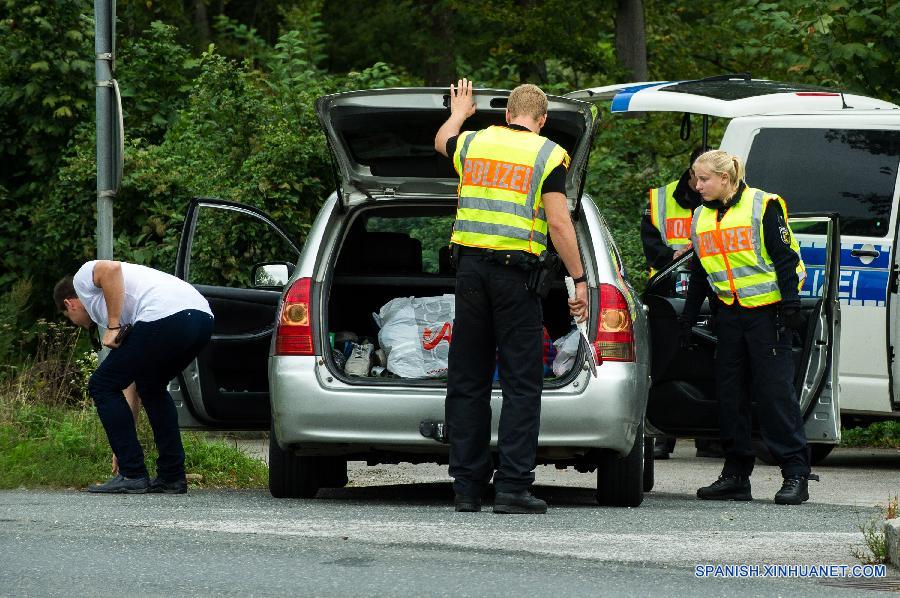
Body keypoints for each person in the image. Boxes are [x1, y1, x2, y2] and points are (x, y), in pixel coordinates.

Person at [435, 79, 588, 515]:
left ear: (506, 115)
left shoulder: (474, 142)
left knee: (468, 379)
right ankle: (513, 488)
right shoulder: (548, 153)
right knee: (522, 383)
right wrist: (578, 279)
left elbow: (441, 140)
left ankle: (466, 488)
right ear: (542, 121)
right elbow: (559, 225)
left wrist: (461, 111)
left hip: (469, 274)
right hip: (514, 279)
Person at [681, 150, 817, 505]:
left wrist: (790, 306)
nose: (697, 186)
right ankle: (736, 475)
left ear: (725, 179)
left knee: (774, 396)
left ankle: (795, 474)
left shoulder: (762, 205)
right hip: (729, 315)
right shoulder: (700, 216)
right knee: (730, 397)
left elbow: (786, 259)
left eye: (704, 179)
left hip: (768, 314)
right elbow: (700, 273)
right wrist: (687, 317)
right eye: (696, 179)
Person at [54, 260, 213, 494]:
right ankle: (172, 476)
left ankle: (133, 474)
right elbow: (129, 384)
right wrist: (122, 444)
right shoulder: (122, 302)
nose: (74, 322)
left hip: (166, 316)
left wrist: (114, 325)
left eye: (68, 316)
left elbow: (111, 269)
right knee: (150, 386)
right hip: (201, 319)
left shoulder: (81, 279)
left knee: (100, 384)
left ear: (70, 304)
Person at [642, 148, 704, 460]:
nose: (702, 184)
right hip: (668, 290)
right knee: (664, 361)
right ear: (691, 172)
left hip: (711, 291)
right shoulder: (660, 199)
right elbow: (650, 244)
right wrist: (672, 256)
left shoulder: (724, 199)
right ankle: (662, 432)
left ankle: (710, 437)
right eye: (699, 176)